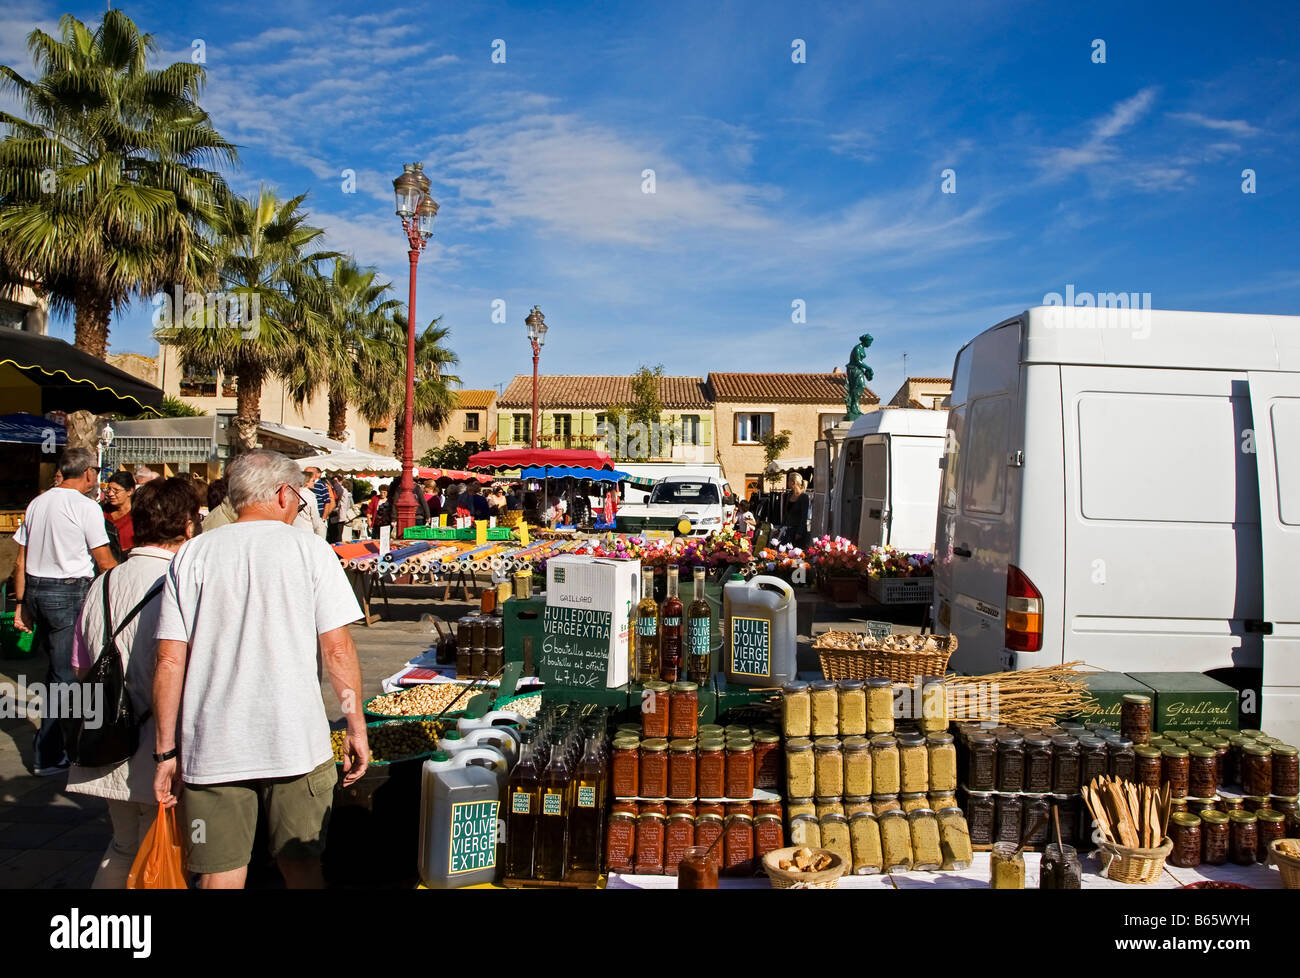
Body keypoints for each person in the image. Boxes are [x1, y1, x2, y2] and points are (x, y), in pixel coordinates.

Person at [153, 450, 369, 890]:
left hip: (212, 745)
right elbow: (338, 650)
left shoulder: (192, 554)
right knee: (302, 866)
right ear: (283, 493)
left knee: (218, 873)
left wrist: (165, 752)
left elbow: (170, 659)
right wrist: (355, 725)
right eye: (301, 499)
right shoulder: (310, 550)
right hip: (295, 742)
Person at [66, 478, 200, 887]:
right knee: (161, 845)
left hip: (109, 736)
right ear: (188, 526)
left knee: (124, 844)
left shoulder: (102, 584)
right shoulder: (182, 584)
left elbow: (79, 666)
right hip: (164, 740)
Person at [12, 447, 118, 775]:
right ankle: (50, 752)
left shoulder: (38, 502)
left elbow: (21, 560)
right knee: (64, 675)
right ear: (87, 472)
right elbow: (104, 562)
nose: (97, 477)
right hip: (68, 591)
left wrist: (21, 603)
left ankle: (58, 743)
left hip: (38, 590)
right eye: (96, 471)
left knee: (55, 669)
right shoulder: (85, 507)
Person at [102, 471, 136, 558]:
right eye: (109, 489)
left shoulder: (138, 515)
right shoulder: (101, 511)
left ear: (130, 491)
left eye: (116, 491)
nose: (110, 494)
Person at [779, 472, 812, 550]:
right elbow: (787, 514)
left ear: (793, 482)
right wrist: (780, 528)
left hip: (798, 532)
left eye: (788, 481)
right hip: (788, 531)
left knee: (796, 556)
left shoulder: (803, 497)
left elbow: (804, 517)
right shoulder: (789, 495)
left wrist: (799, 532)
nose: (787, 483)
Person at [326, 473, 348, 543]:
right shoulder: (334, 490)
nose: (334, 484)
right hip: (333, 517)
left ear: (340, 482)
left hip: (339, 517)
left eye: (336, 482)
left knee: (337, 538)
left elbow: (338, 491)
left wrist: (334, 482)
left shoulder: (342, 490)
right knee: (332, 537)